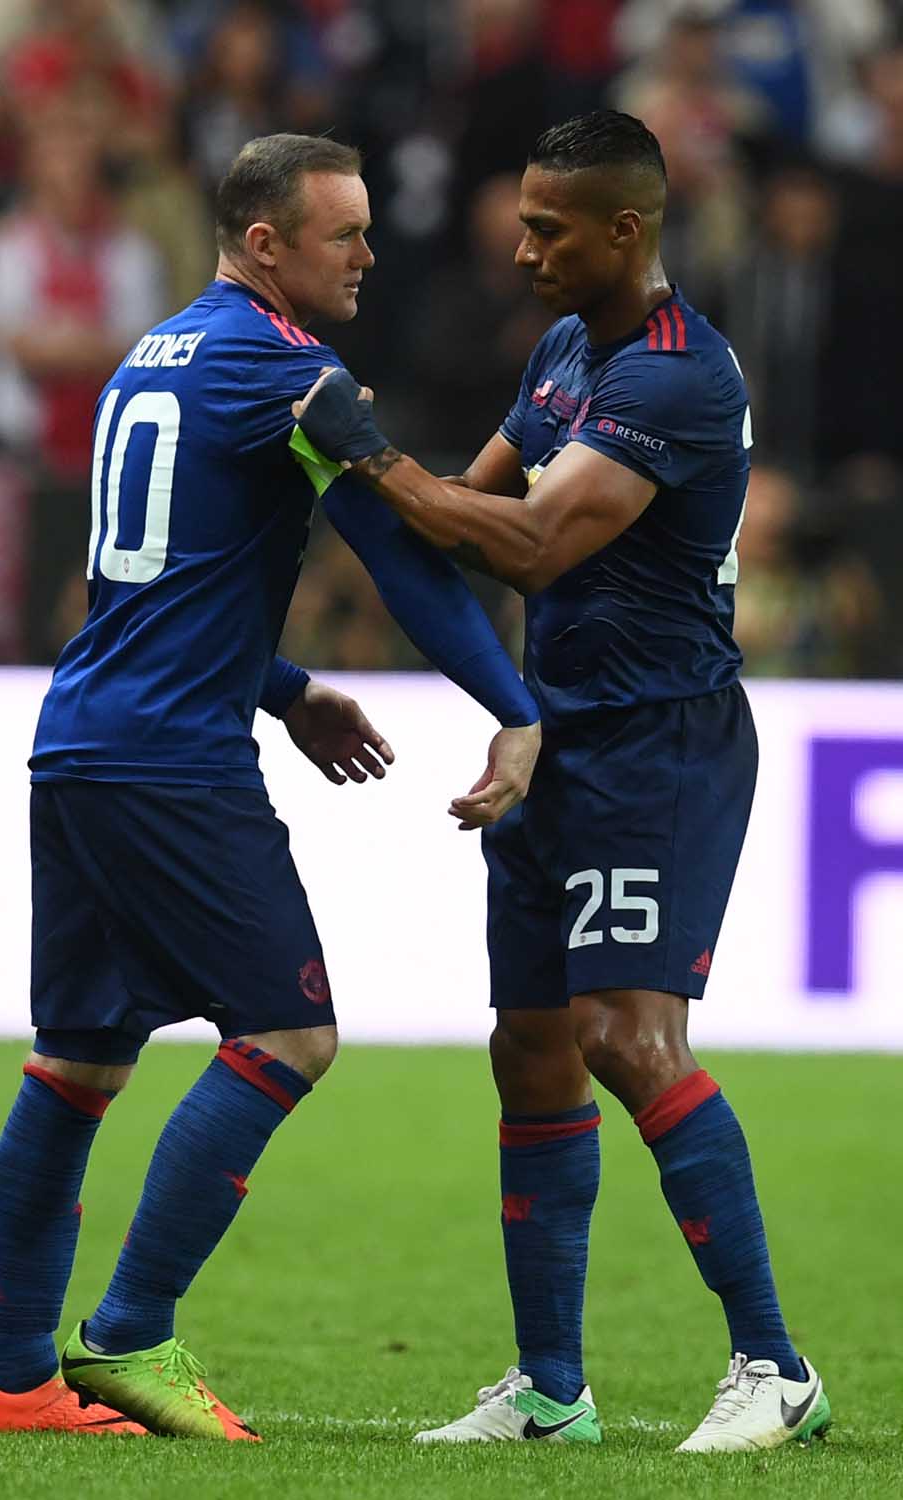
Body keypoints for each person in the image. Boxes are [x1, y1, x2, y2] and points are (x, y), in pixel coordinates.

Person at [0, 132, 541, 1440]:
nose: (370, 254)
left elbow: (145, 588)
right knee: (288, 1036)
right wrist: (516, 710)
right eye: (346, 234)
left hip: (84, 739)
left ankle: (12, 1380)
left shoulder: (153, 353)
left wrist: (285, 689)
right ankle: (128, 1333)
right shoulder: (286, 373)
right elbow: (401, 559)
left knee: (77, 1064)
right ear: (266, 243)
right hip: (172, 758)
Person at [292, 110, 831, 1455]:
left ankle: (775, 1366)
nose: (523, 248)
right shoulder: (564, 352)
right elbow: (459, 514)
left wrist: (369, 455)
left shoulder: (675, 375)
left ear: (624, 231)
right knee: (530, 1050)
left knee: (626, 1039)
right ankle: (549, 1392)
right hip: (556, 739)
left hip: (658, 746)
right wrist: (345, 482)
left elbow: (527, 542)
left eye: (548, 229)